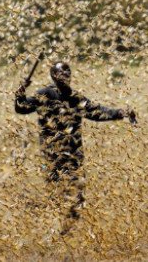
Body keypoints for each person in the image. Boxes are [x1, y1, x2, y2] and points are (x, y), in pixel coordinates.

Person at [14, 61, 136, 233]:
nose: (65, 75)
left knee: (77, 198)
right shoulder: (44, 95)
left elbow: (98, 112)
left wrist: (121, 113)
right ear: (53, 76)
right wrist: (19, 95)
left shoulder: (76, 98)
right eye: (61, 72)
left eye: (67, 72)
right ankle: (51, 229)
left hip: (74, 155)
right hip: (52, 156)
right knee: (57, 195)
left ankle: (66, 233)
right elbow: (23, 108)